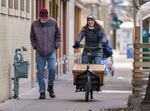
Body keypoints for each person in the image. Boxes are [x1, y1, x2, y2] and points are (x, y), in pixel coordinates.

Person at [30, 8, 61, 99]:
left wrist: (56, 45)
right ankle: (42, 91)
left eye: (45, 17)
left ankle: (50, 87)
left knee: (52, 69)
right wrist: (35, 46)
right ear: (39, 17)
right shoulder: (34, 24)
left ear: (48, 16)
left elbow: (58, 35)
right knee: (40, 72)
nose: (44, 19)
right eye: (42, 18)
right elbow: (32, 37)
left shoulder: (53, 22)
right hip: (40, 51)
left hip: (51, 51)